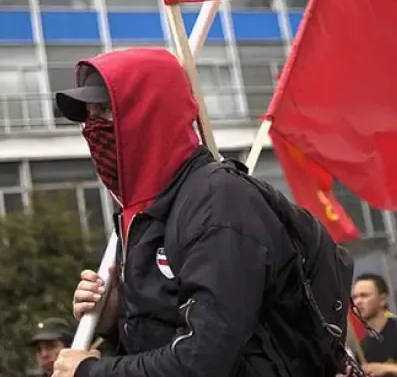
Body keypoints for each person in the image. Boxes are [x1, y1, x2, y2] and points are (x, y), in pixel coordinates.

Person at [52, 48, 337, 377]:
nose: (93, 129)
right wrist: (118, 319)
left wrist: (91, 372)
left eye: (104, 110)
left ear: (149, 112)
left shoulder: (218, 204)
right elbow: (167, 337)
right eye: (88, 116)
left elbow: (204, 360)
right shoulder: (142, 212)